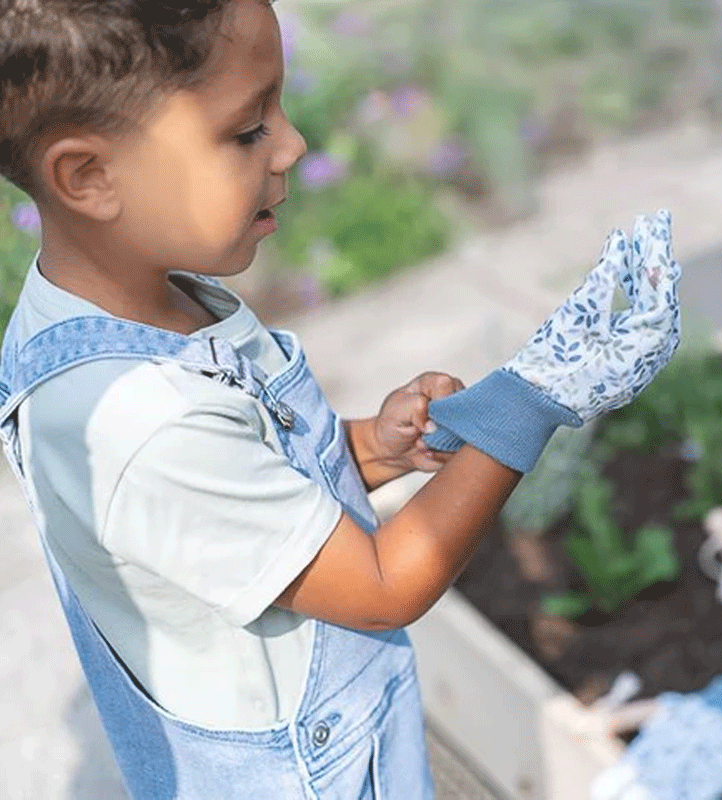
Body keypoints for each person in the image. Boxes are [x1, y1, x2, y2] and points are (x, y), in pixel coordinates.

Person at [0, 1, 682, 798]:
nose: (292, 144)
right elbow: (383, 586)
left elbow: (248, 489)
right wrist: (531, 399)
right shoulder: (139, 422)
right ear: (90, 176)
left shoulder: (148, 302)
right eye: (247, 130)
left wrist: (371, 449)